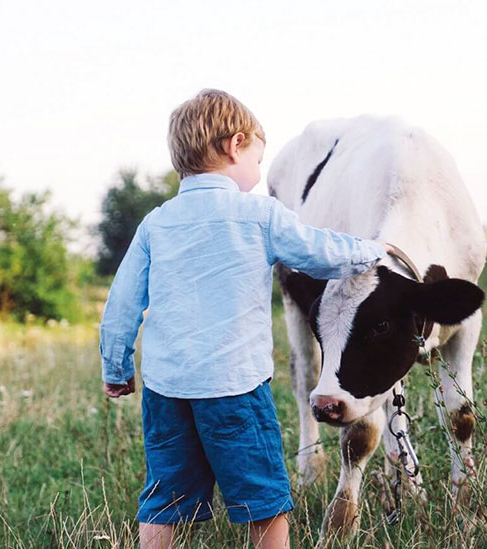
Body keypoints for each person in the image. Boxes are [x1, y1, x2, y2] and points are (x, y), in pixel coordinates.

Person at [99, 89, 391, 549]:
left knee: (162, 498)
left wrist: (116, 368)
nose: (258, 175)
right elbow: (319, 252)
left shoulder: (156, 222)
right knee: (263, 501)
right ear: (235, 145)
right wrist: (373, 251)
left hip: (167, 390)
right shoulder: (258, 215)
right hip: (235, 388)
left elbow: (120, 306)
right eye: (257, 160)